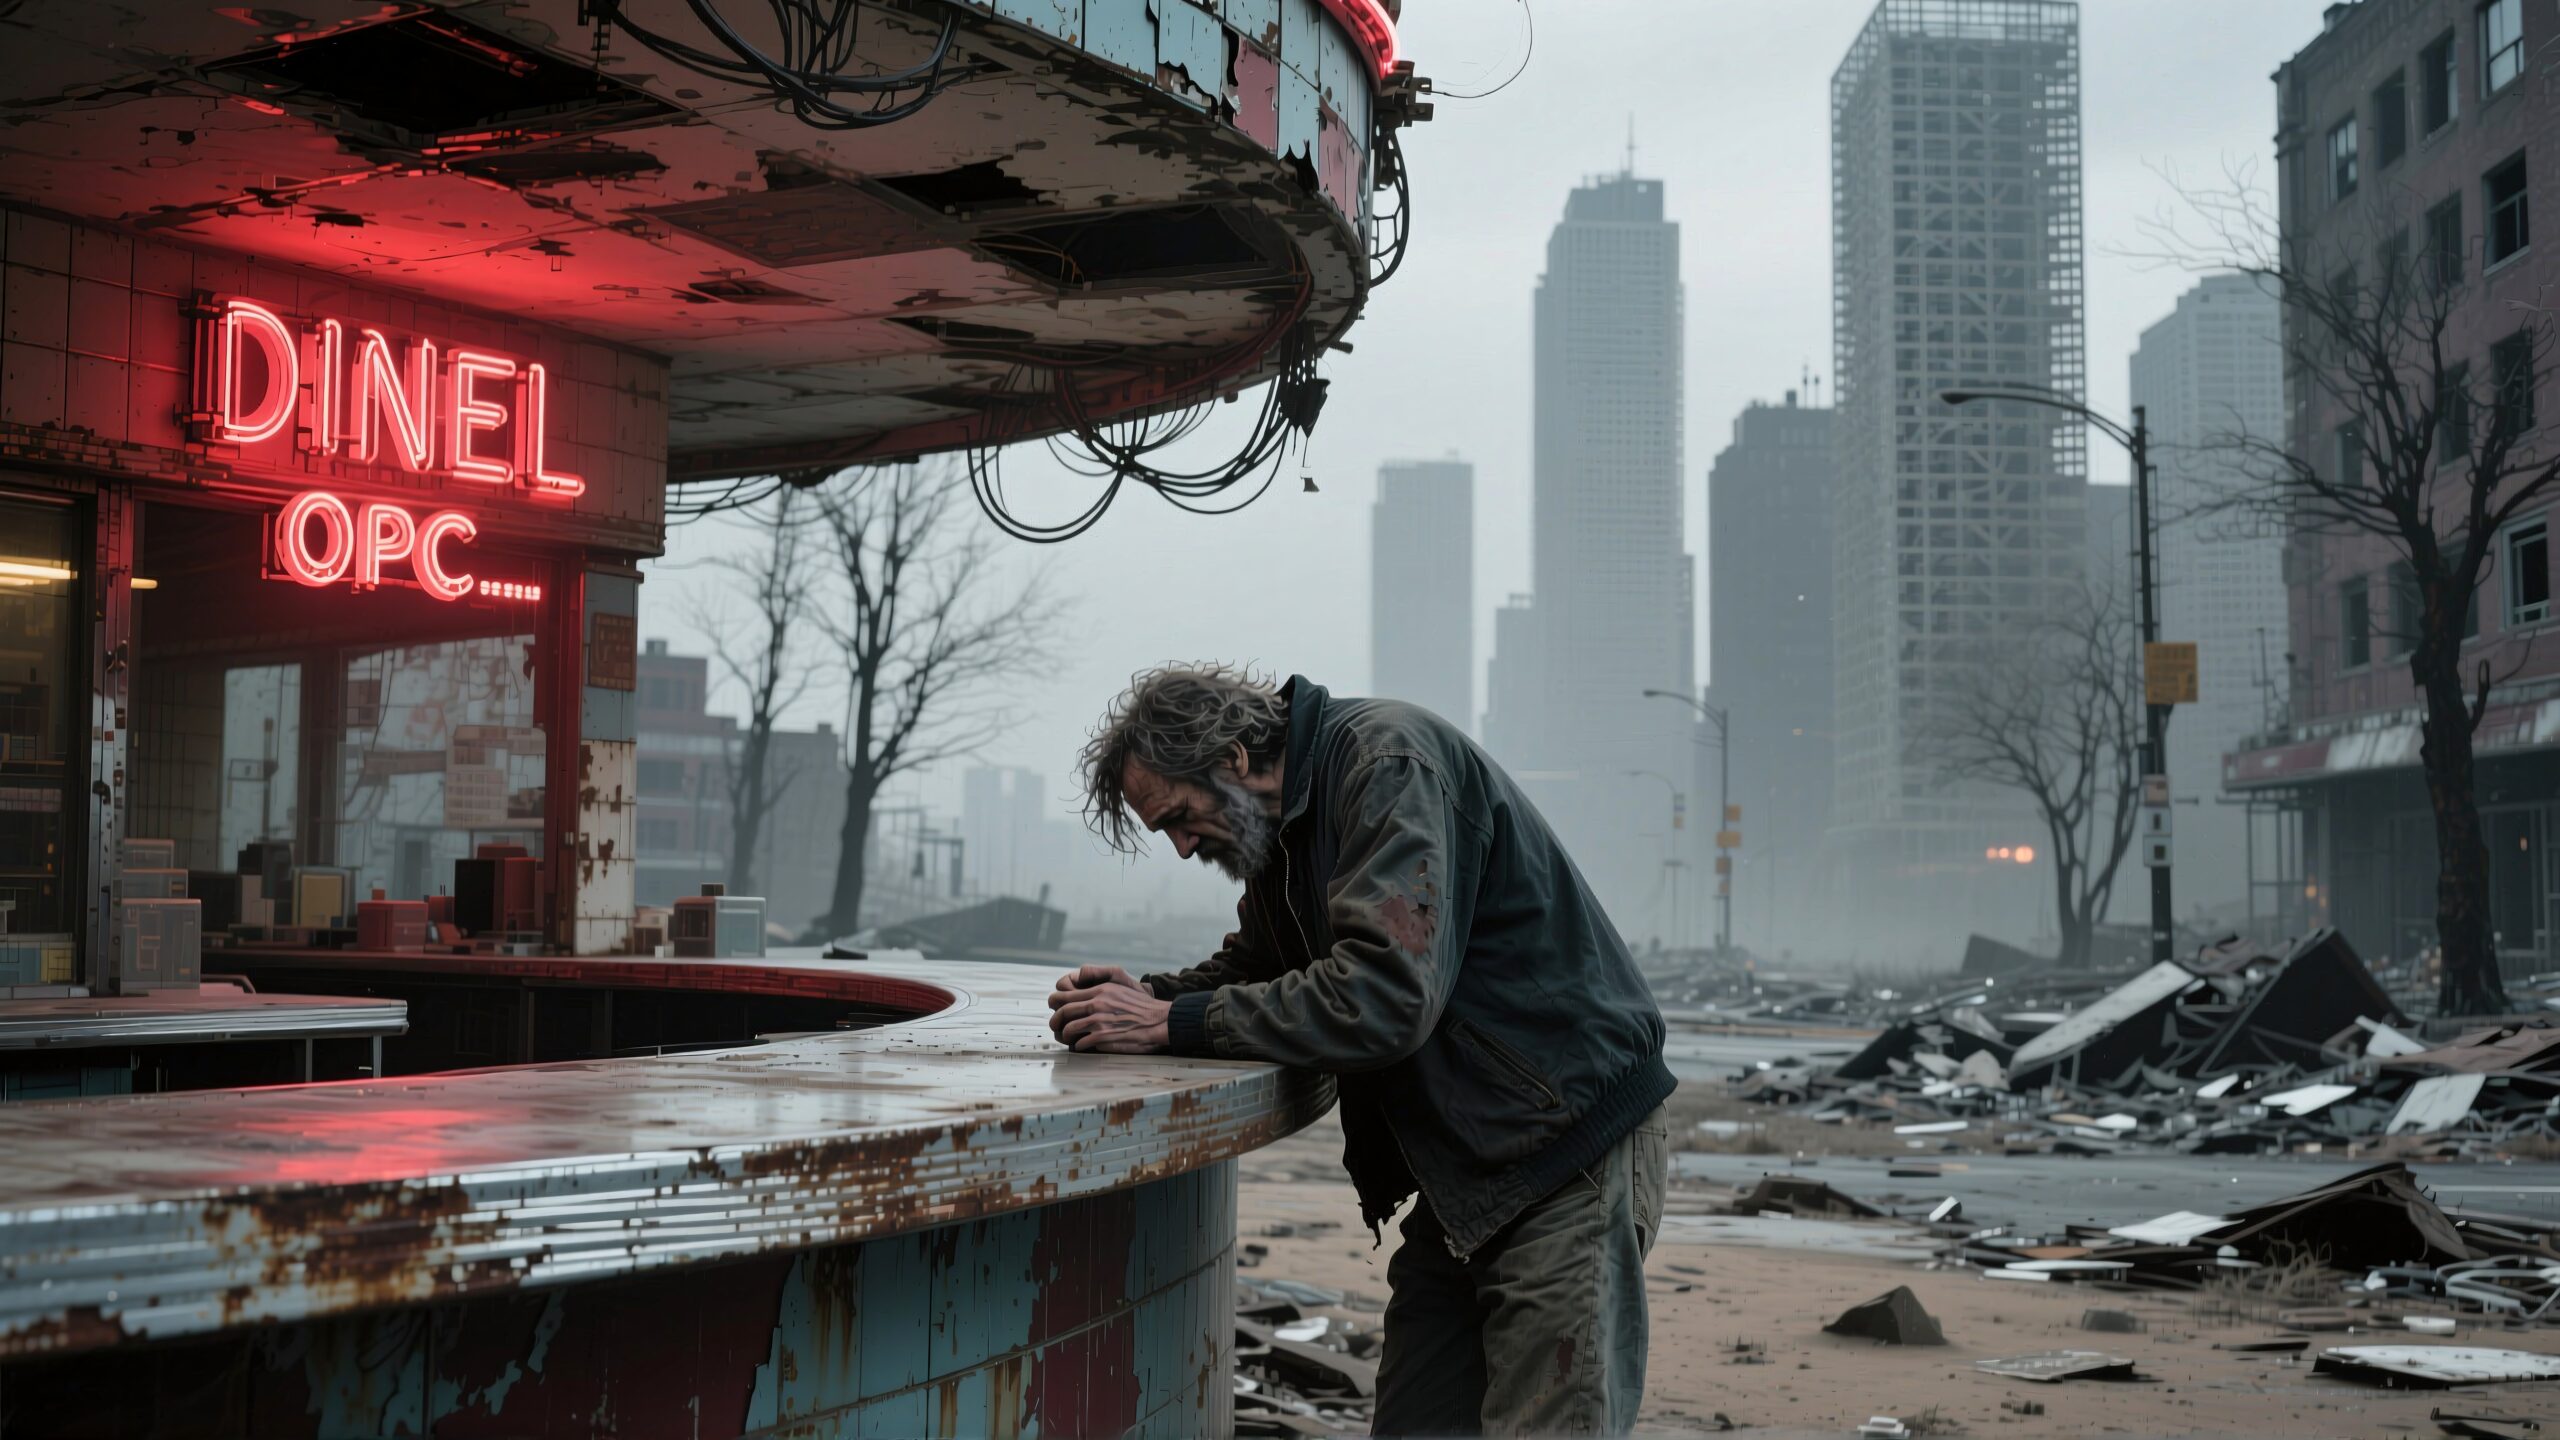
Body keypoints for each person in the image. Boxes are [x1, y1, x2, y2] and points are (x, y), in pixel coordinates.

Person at [1050, 665, 1674, 1437]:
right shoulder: (1288, 828)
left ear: (1233, 761)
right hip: (1471, 1171)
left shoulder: (1388, 766)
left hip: (1568, 1154)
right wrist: (1144, 999)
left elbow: (1384, 996)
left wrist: (1169, 1024)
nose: (1181, 847)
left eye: (1180, 816)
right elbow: (1263, 964)